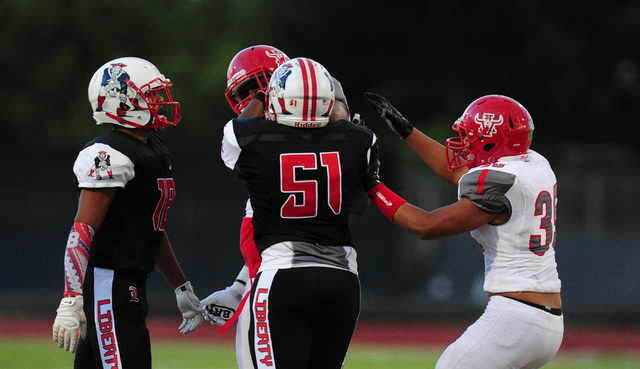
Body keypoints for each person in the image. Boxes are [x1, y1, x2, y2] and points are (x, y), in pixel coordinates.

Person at [363, 92, 563, 369]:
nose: (463, 144)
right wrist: (407, 130)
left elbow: (426, 226)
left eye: (471, 137)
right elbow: (459, 170)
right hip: (545, 319)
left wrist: (373, 186)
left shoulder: (501, 182)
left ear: (492, 140)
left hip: (517, 316)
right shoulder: (533, 164)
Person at [201, 46, 359, 369]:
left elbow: (233, 139)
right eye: (242, 93)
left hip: (281, 288)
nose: (249, 99)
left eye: (255, 87)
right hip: (338, 280)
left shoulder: (262, 148)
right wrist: (239, 287)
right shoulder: (337, 133)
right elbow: (272, 237)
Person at [52, 57, 204, 368]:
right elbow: (82, 230)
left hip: (129, 283)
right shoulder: (107, 155)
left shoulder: (154, 150)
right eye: (152, 94)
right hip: (110, 283)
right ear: (124, 102)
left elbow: (151, 229)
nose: (161, 101)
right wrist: (71, 296)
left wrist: (181, 286)